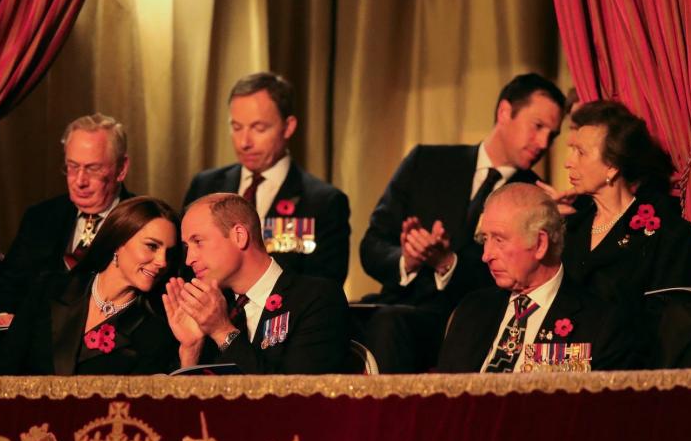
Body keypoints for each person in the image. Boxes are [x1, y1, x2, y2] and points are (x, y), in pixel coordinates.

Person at [360, 73, 566, 372]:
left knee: (391, 323)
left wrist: (447, 263)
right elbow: (371, 246)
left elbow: (521, 276)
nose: (544, 142)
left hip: (471, 319)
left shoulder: (535, 196)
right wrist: (407, 258)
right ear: (505, 112)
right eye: (538, 126)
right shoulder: (427, 162)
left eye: (553, 134)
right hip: (399, 305)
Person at [438, 183, 635, 372]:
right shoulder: (471, 310)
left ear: (540, 244)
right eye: (485, 239)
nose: (486, 255)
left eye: (499, 240)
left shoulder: (600, 323)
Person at [182, 72, 350, 284]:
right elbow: (184, 265)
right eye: (236, 127)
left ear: (288, 127)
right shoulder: (205, 186)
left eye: (258, 128)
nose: (244, 142)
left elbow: (323, 288)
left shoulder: (323, 202)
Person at [0, 196, 179, 375]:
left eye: (169, 253)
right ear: (119, 241)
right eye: (152, 246)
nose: (162, 262)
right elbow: (2, 370)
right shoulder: (49, 289)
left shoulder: (156, 327)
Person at [164, 193, 349, 374]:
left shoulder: (316, 298)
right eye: (187, 247)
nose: (189, 259)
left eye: (198, 241)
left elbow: (296, 397)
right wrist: (191, 349)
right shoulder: (211, 308)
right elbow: (181, 402)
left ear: (239, 236)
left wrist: (223, 331)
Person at [0, 113, 133, 326]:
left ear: (121, 168)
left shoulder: (144, 223)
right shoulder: (40, 218)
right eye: (72, 167)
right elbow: (8, 286)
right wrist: (2, 314)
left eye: (92, 168)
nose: (79, 181)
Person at [559, 100, 691, 306]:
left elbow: (669, 318)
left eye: (580, 153)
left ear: (612, 167)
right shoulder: (570, 227)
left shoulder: (668, 235)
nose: (568, 162)